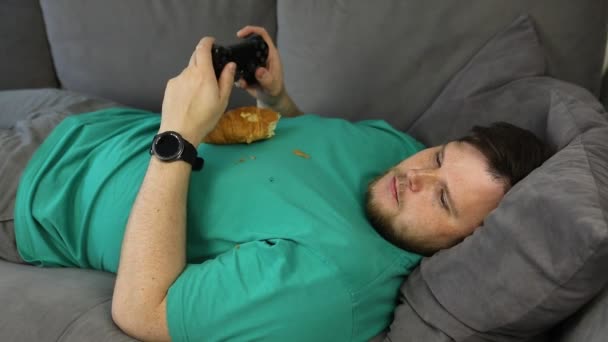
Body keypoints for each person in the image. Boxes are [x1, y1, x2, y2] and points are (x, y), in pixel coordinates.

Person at [0, 26, 551, 341]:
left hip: (40, 190)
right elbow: (312, 164)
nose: (415, 178)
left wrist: (176, 137)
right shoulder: (402, 153)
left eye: (445, 199)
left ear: (468, 245)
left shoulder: (331, 289)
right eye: (438, 158)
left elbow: (143, 312)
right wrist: (275, 100)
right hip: (89, 119)